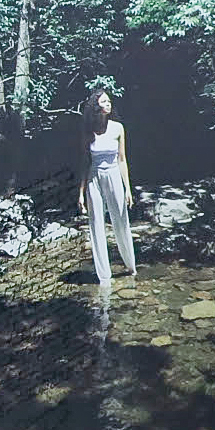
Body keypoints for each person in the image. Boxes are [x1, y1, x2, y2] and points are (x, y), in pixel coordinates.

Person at [79, 86, 139, 287]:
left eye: (109, 101)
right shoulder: (89, 132)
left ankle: (130, 266)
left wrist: (128, 189)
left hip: (114, 175)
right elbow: (85, 163)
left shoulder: (118, 128)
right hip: (94, 178)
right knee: (96, 223)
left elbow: (122, 160)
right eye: (104, 101)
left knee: (120, 220)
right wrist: (81, 193)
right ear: (96, 106)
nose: (108, 104)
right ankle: (104, 276)